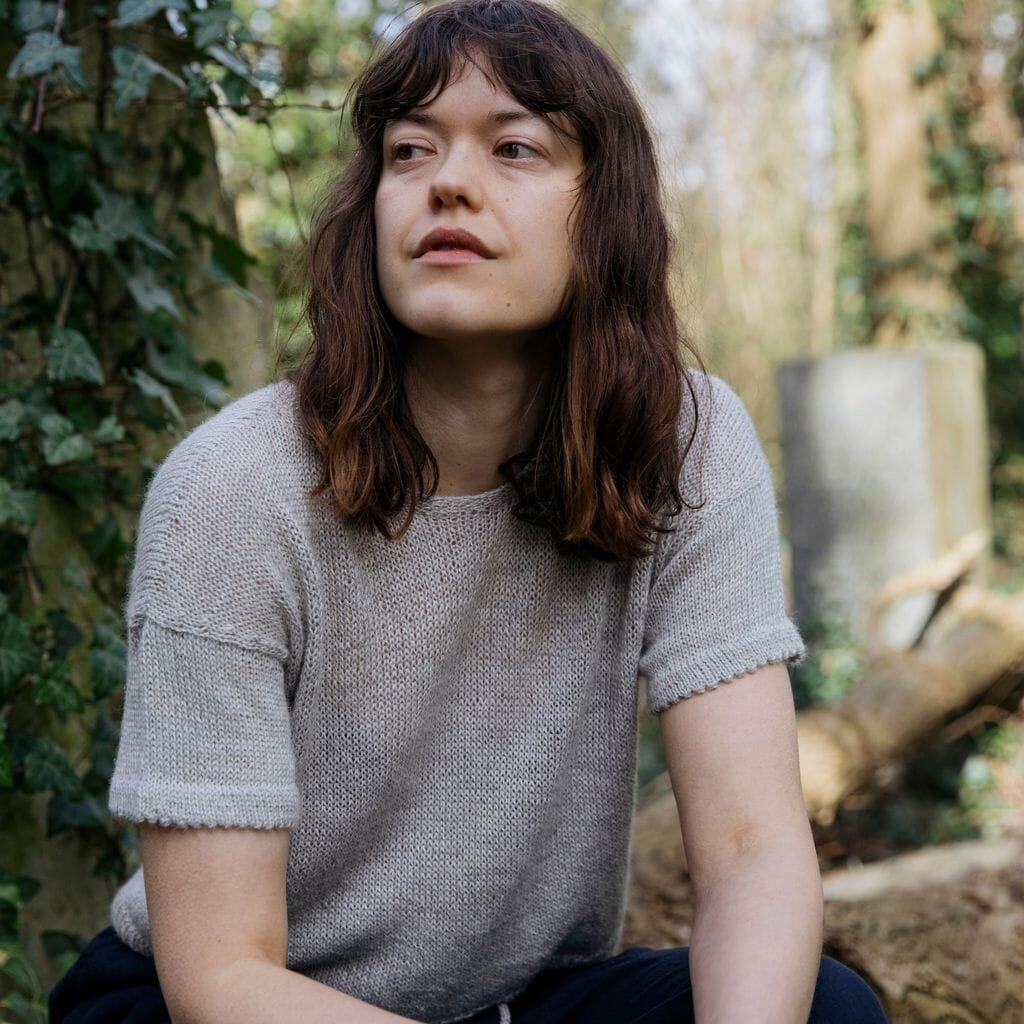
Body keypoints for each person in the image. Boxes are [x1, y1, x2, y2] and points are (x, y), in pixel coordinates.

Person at [49, 1, 890, 1022]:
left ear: (603, 211)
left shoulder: (688, 444)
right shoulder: (233, 489)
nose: (447, 181)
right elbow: (220, 974)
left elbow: (755, 850)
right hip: (224, 1004)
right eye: (410, 151)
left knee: (827, 1008)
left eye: (514, 147)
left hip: (510, 999)